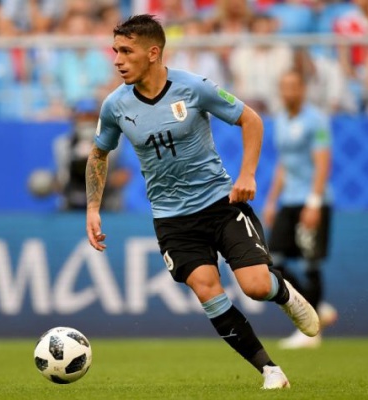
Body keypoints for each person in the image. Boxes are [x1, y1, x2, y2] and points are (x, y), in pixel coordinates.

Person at [85, 14, 319, 390]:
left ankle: (284, 293)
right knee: (208, 289)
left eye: (126, 51)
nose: (117, 60)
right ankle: (270, 370)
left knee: (256, 286)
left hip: (219, 204)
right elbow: (98, 154)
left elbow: (252, 120)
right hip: (172, 219)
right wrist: (93, 208)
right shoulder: (114, 105)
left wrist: (247, 175)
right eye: (115, 51)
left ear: (153, 52)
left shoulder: (193, 87)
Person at [263, 70, 335, 350]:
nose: (289, 92)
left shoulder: (316, 120)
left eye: (294, 86)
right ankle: (319, 309)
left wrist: (314, 202)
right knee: (273, 261)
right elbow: (283, 164)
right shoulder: (280, 120)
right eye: (284, 87)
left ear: (303, 90)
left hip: (311, 201)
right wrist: (272, 201)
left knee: (310, 262)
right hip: (289, 201)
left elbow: (322, 162)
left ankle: (311, 333)